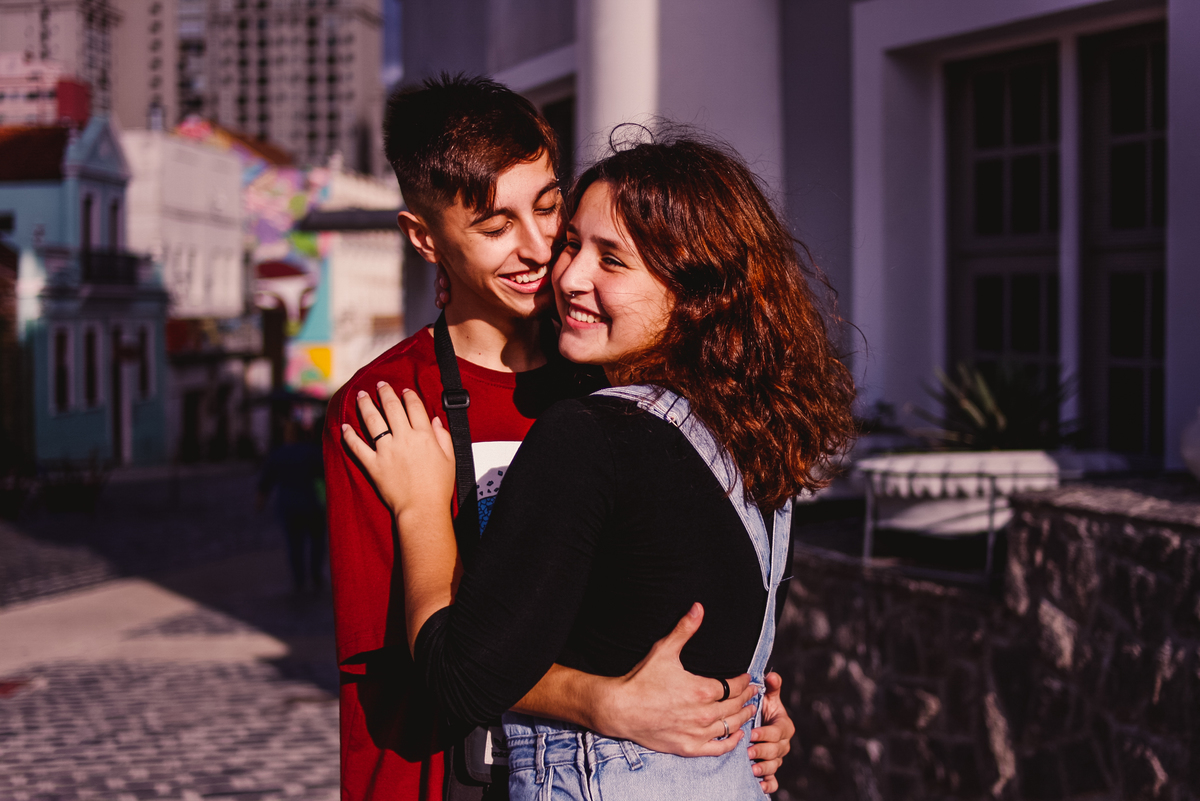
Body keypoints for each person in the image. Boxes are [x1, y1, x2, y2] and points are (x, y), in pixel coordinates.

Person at [343, 133, 857, 799]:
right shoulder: (757, 443)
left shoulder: (591, 435)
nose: (568, 276)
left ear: (692, 290)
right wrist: (757, 707)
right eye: (573, 245)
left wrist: (419, 506)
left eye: (611, 260)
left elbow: (462, 678)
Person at [258, 416, 326, 595]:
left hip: (288, 504)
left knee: (295, 544)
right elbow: (325, 474)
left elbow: (266, 481)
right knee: (316, 542)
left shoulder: (278, 453)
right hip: (312, 503)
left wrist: (260, 502)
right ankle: (315, 574)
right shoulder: (312, 451)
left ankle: (299, 580)